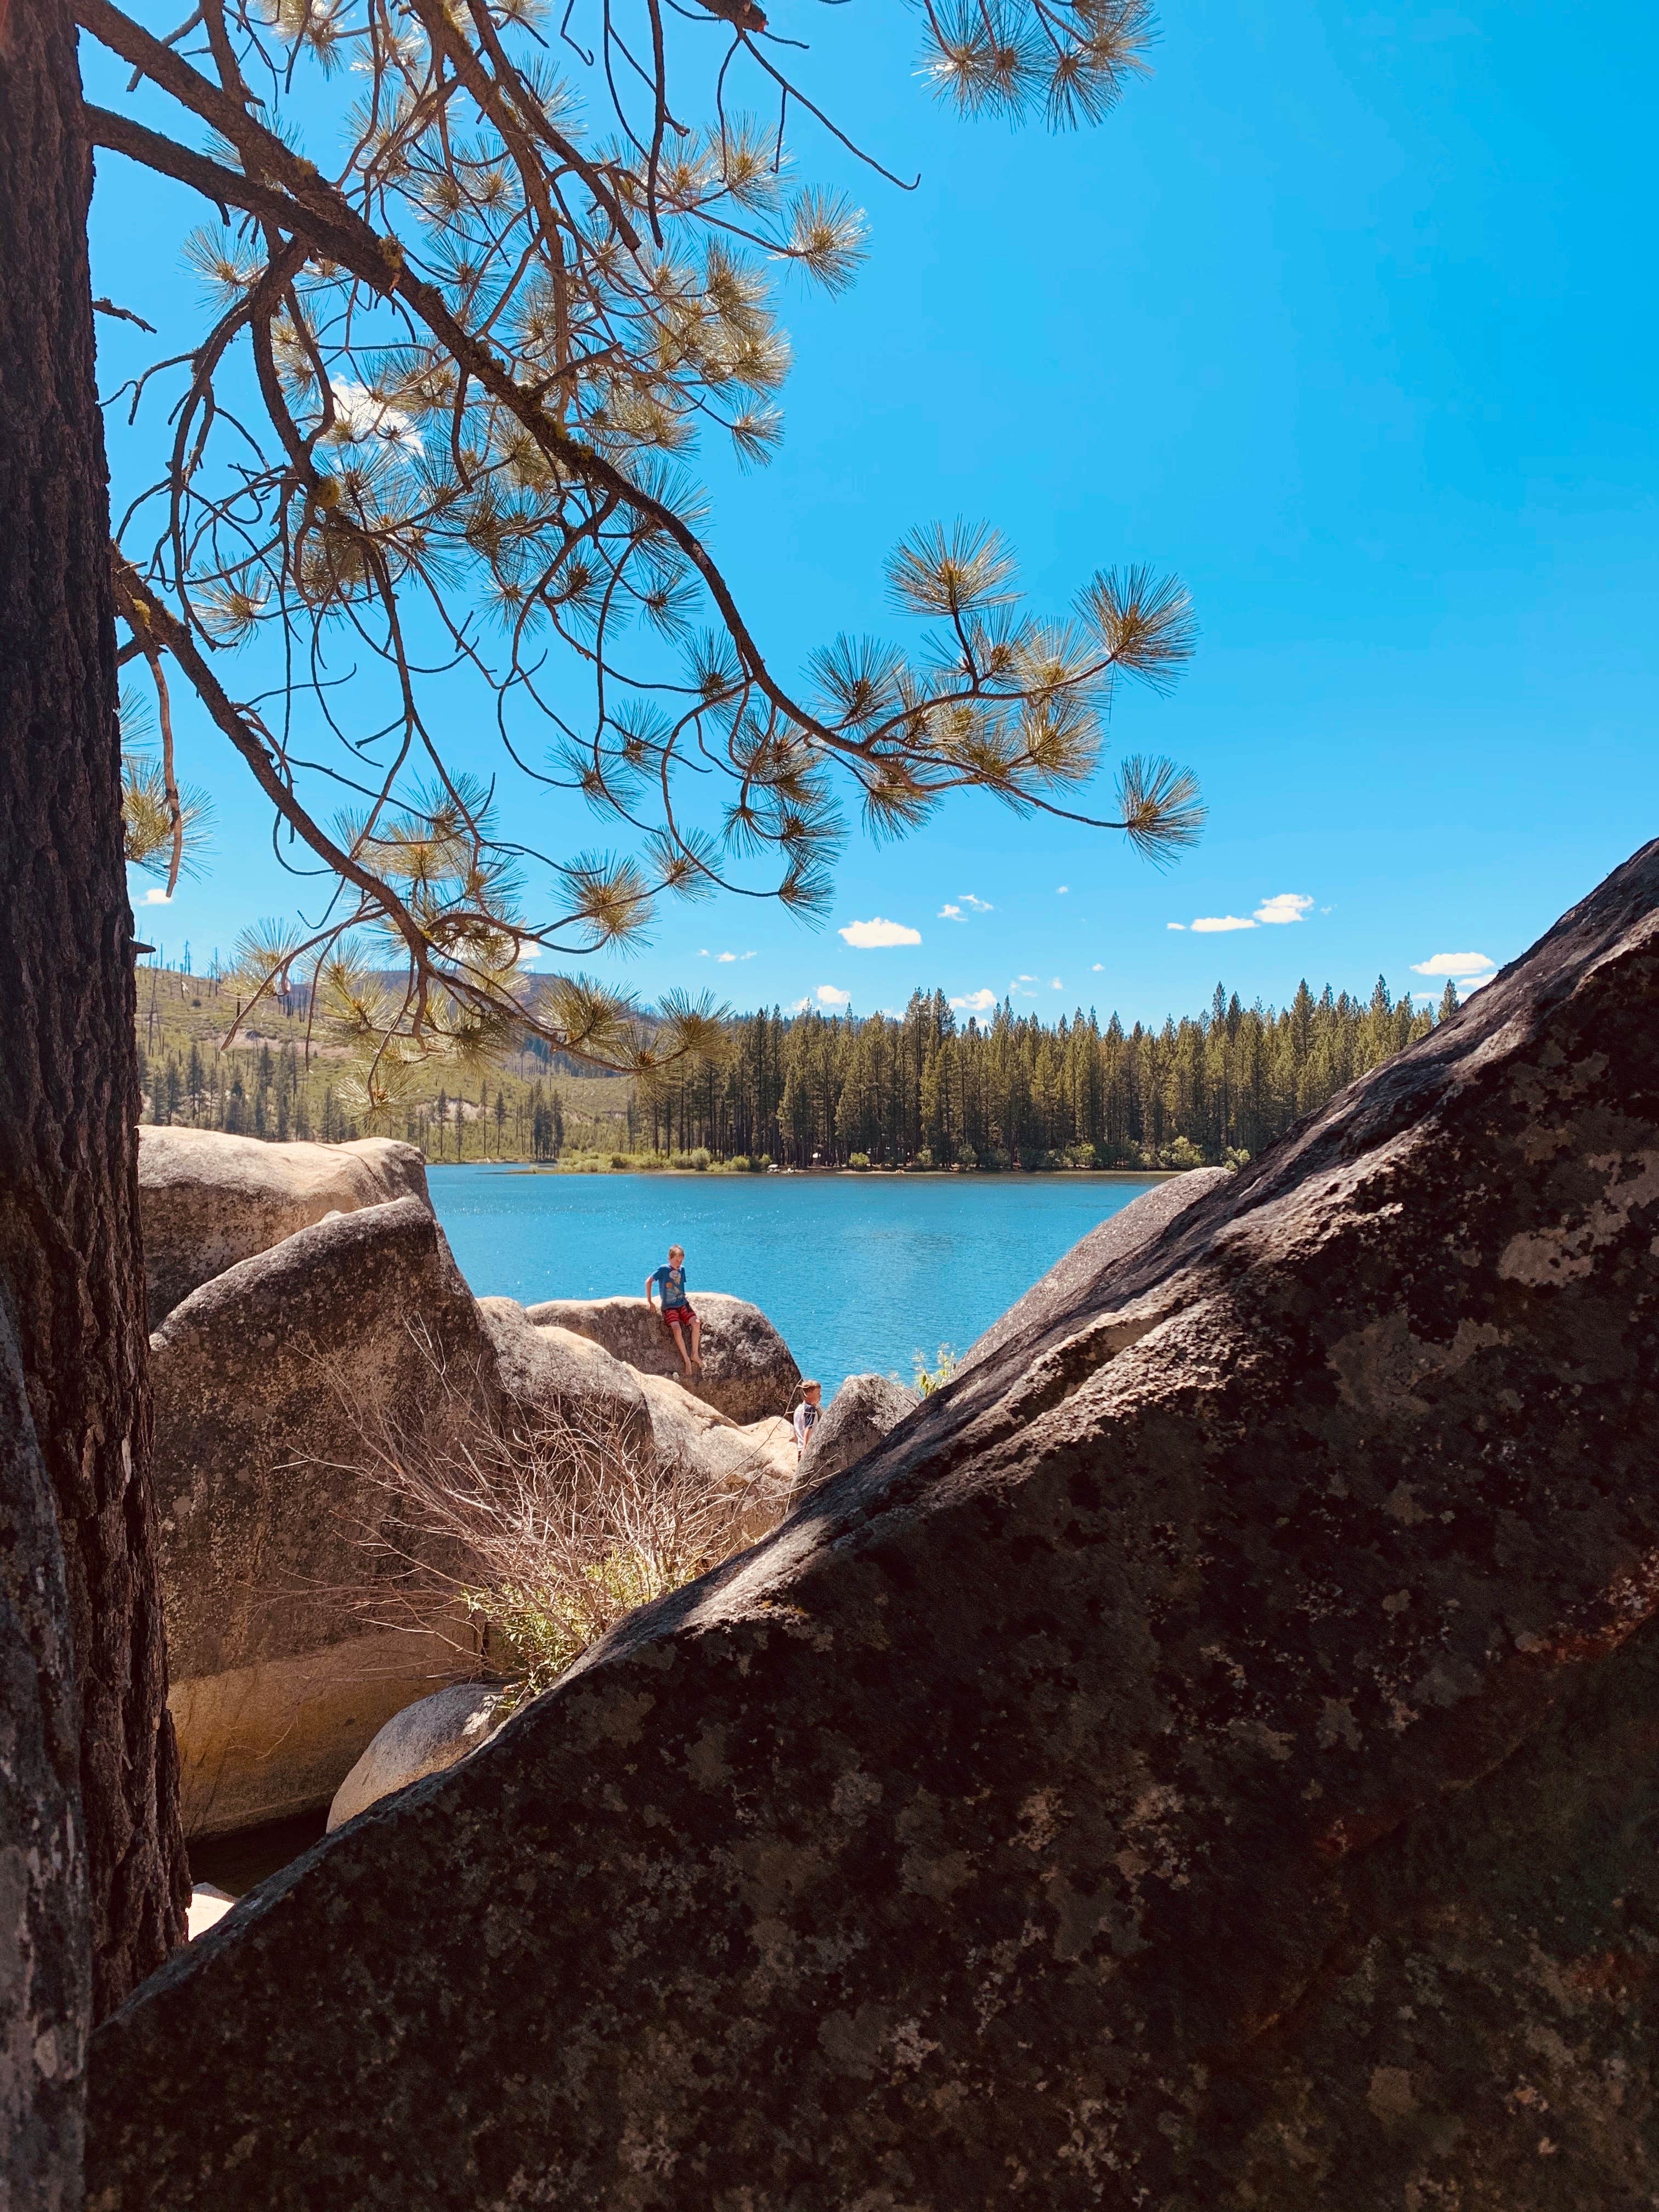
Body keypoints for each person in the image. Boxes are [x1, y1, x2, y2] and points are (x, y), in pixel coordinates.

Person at [645, 1242, 702, 1379]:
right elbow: (649, 1281)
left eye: (681, 1260)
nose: (679, 1263)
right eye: (677, 1260)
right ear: (670, 1258)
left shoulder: (682, 1270)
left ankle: (694, 1354)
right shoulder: (663, 1269)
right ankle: (686, 1359)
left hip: (682, 1304)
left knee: (697, 1323)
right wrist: (650, 1301)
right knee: (677, 1329)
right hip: (669, 1307)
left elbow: (680, 1287)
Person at [792, 1379, 822, 1457]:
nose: (820, 1396)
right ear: (809, 1395)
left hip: (799, 1448)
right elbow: (808, 1429)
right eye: (818, 1393)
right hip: (808, 1449)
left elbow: (796, 1429)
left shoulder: (799, 1409)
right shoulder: (810, 1409)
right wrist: (805, 1448)